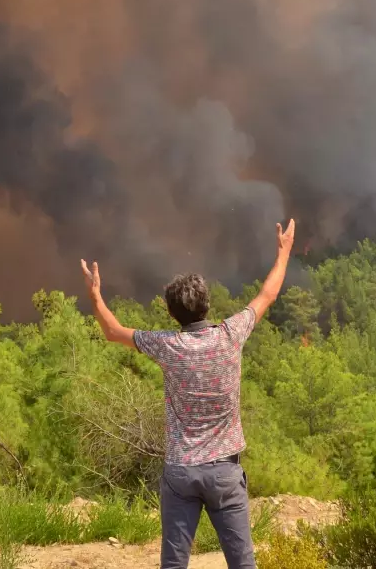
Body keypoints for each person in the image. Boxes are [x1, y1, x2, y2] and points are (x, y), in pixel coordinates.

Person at [79, 218, 296, 569]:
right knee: (243, 564)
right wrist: (284, 251)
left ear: (170, 312)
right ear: (208, 305)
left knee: (174, 565)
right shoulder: (230, 334)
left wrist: (94, 295)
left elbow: (112, 330)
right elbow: (268, 295)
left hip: (181, 471)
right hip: (225, 472)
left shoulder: (168, 345)